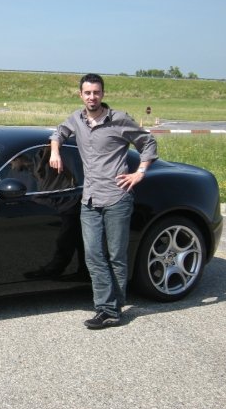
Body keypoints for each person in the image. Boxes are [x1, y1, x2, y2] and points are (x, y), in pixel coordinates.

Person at [49, 73, 158, 329]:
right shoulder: (76, 119)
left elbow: (148, 143)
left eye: (96, 92)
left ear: (103, 94)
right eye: (87, 93)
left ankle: (111, 310)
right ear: (81, 95)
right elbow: (59, 132)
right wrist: (55, 152)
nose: (92, 97)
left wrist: (139, 173)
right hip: (89, 199)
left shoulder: (119, 119)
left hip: (117, 197)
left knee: (116, 256)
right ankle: (108, 308)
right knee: (93, 255)